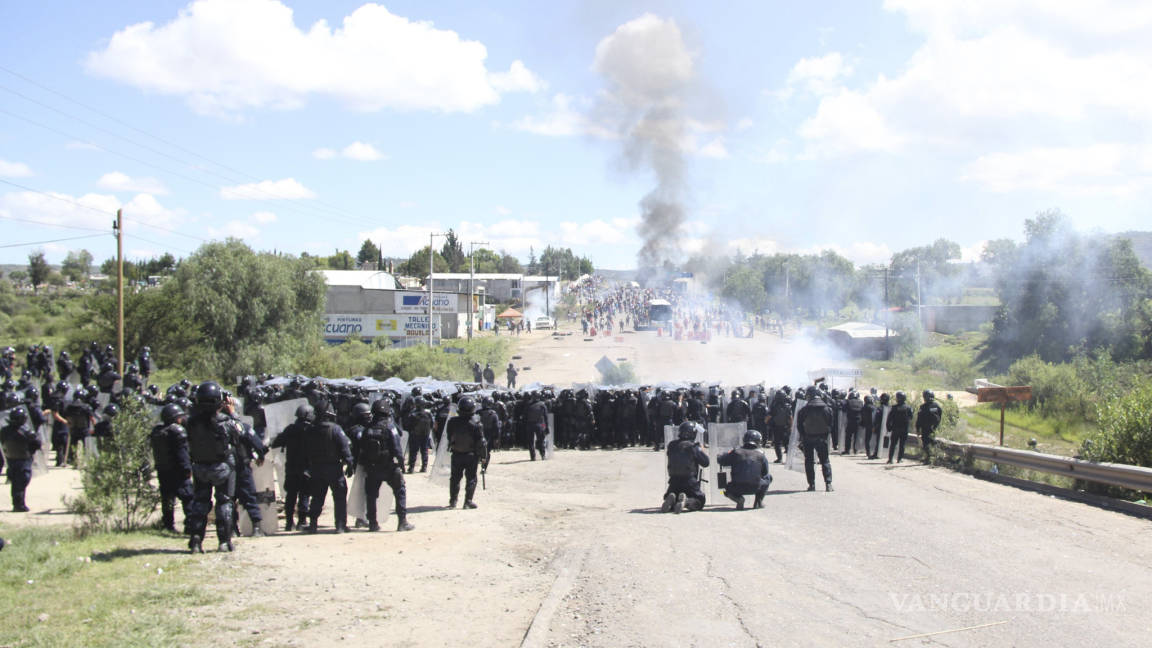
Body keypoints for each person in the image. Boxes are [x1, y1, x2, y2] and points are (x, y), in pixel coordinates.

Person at [184, 381, 239, 553]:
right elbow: (240, 433)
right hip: (222, 467)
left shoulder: (191, 422)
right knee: (224, 503)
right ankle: (224, 541)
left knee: (200, 503)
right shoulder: (226, 422)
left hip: (200, 467)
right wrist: (232, 413)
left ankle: (196, 540)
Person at [356, 399, 414, 532]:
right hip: (388, 467)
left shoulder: (368, 429)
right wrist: (401, 463)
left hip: (372, 467)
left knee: (371, 496)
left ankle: (372, 523)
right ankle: (402, 522)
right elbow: (396, 447)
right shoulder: (390, 426)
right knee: (400, 491)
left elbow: (362, 448)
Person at [303, 398, 354, 533]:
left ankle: (313, 524)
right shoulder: (336, 429)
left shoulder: (310, 430)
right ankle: (340, 525)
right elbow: (345, 448)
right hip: (334, 469)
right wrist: (349, 463)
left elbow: (306, 449)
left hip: (316, 468)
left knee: (317, 497)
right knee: (339, 497)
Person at [270, 404, 314, 531]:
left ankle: (289, 522)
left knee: (290, 496)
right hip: (306, 469)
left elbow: (277, 442)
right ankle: (302, 521)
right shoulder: (311, 430)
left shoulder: (290, 429)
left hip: (291, 468)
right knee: (304, 495)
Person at [150, 403, 192, 533]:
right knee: (188, 497)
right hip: (178, 471)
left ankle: (168, 525)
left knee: (167, 499)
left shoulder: (157, 431)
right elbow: (182, 453)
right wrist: (187, 469)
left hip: (163, 470)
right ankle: (190, 526)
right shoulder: (177, 431)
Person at [446, 397, 487, 509]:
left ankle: (453, 501)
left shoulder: (452, 422)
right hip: (471, 455)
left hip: (456, 453)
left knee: (455, 478)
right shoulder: (476, 424)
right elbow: (481, 442)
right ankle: (467, 502)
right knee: (471, 478)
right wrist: (483, 456)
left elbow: (449, 437)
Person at [717, 430, 772, 509]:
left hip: (736, 488)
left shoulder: (736, 452)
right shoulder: (761, 455)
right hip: (756, 487)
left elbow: (721, 460)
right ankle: (758, 501)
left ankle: (738, 499)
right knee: (769, 477)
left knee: (725, 489)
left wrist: (721, 455)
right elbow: (765, 473)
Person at [663, 421, 709, 513]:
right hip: (689, 481)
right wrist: (701, 449)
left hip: (673, 481)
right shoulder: (693, 446)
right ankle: (687, 502)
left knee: (673, 496)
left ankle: (673, 499)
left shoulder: (672, 445)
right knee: (700, 500)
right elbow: (706, 462)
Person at [1, 406, 41, 512]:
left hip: (12, 460)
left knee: (16, 483)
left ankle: (19, 503)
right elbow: (37, 444)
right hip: (22, 460)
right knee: (21, 481)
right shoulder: (25, 432)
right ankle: (18, 505)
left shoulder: (4, 431)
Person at [796, 387, 834, 492]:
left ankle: (811, 485)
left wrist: (804, 436)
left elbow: (799, 426)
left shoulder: (804, 410)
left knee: (809, 461)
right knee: (825, 461)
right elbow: (831, 424)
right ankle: (828, 484)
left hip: (808, 438)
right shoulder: (827, 409)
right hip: (822, 438)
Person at [403, 397, 434, 473]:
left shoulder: (412, 414)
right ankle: (424, 467)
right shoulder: (428, 413)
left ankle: (411, 468)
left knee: (413, 451)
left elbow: (407, 425)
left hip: (415, 435)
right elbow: (432, 424)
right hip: (425, 434)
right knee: (424, 451)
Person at [916, 390, 943, 464]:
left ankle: (929, 458)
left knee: (926, 443)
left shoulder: (923, 407)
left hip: (925, 428)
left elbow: (919, 419)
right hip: (934, 428)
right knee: (932, 441)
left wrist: (918, 428)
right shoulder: (937, 405)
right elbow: (940, 415)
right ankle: (935, 456)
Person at [887, 391, 914, 464]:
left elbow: (889, 419)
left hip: (895, 428)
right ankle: (899, 459)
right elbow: (911, 417)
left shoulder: (894, 408)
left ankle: (890, 459)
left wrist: (888, 428)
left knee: (893, 444)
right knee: (902, 445)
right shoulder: (908, 408)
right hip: (904, 429)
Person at [767, 388, 793, 463]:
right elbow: (791, 418)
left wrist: (766, 422)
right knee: (786, 444)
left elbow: (769, 416)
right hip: (785, 427)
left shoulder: (774, 406)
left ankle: (780, 458)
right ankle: (789, 460)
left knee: (777, 444)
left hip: (776, 427)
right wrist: (791, 427)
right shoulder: (788, 406)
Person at [524, 393, 549, 460]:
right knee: (541, 440)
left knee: (531, 442)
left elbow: (525, 416)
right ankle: (543, 455)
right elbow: (545, 417)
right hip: (539, 424)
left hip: (530, 425)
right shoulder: (542, 404)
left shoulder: (528, 404)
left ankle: (533, 457)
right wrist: (546, 427)